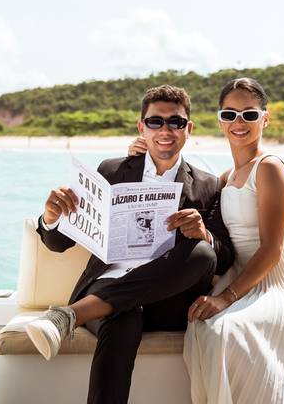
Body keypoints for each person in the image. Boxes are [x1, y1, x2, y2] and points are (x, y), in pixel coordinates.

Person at [132, 77, 284, 403]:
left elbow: (272, 248)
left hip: (279, 282)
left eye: (249, 114)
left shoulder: (270, 168)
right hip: (241, 276)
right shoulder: (225, 178)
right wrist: (144, 154)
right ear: (220, 121)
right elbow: (180, 192)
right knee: (201, 326)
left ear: (264, 119)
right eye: (230, 114)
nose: (239, 122)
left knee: (225, 331)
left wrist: (226, 298)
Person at [25, 84, 235, 404]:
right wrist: (51, 217)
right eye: (155, 122)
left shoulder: (208, 186)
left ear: (188, 129)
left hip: (166, 301)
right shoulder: (110, 171)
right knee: (122, 316)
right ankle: (86, 310)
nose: (165, 130)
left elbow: (224, 257)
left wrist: (203, 233)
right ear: (141, 127)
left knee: (203, 253)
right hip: (108, 286)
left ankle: (69, 315)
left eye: (176, 122)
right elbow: (59, 242)